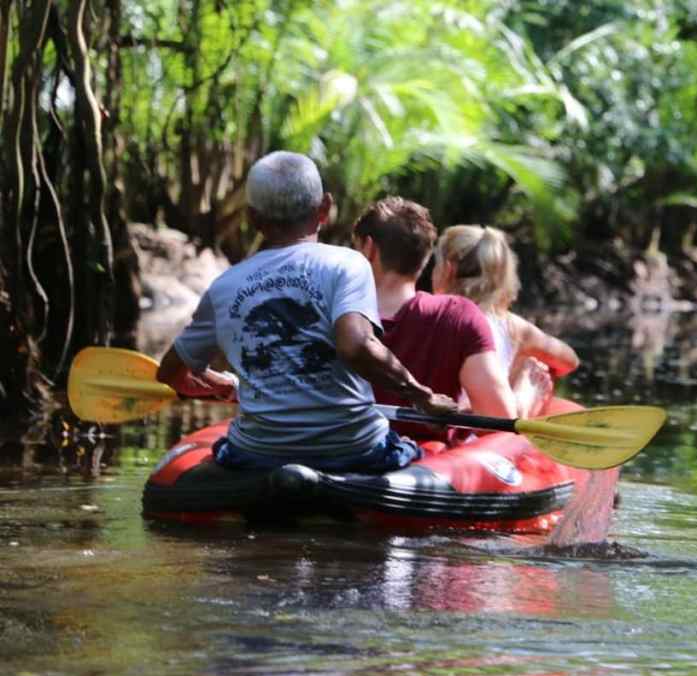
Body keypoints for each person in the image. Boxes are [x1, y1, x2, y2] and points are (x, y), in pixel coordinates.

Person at [156, 151, 456, 473]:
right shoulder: (346, 264)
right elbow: (355, 346)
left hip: (256, 455)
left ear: (253, 218)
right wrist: (421, 395)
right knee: (420, 452)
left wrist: (218, 385)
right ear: (325, 208)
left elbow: (171, 373)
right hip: (355, 451)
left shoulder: (223, 287)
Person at [350, 197, 522, 440]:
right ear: (425, 256)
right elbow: (499, 420)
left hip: (337, 457)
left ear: (368, 248)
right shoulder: (458, 315)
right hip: (426, 466)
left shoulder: (329, 310)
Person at [432, 224, 579, 416]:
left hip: (444, 426)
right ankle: (522, 399)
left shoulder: (425, 313)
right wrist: (518, 367)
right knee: (532, 371)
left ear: (447, 270)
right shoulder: (512, 327)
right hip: (483, 428)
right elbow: (569, 361)